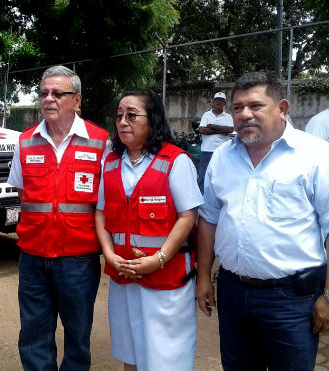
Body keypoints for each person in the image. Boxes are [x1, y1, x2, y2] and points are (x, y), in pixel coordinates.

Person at [196, 72, 329, 371]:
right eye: (237, 107)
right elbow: (208, 220)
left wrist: (328, 296)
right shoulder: (221, 157)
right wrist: (203, 276)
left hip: (292, 301)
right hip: (232, 292)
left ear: (282, 108)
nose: (245, 114)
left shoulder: (316, 156)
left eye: (256, 106)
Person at [7, 65, 108, 371]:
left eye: (58, 93)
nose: (48, 99)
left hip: (78, 260)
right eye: (44, 93)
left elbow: (106, 204)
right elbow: (22, 193)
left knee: (77, 337)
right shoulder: (25, 141)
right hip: (33, 257)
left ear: (76, 101)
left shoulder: (101, 142)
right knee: (34, 335)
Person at [95, 90, 203, 371]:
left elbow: (188, 216)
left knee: (166, 357)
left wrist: (159, 259)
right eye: (119, 116)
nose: (123, 122)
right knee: (129, 350)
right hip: (124, 277)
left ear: (152, 119)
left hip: (165, 279)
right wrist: (108, 253)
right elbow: (100, 212)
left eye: (131, 115)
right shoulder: (111, 162)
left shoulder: (176, 161)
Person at [197, 92, 233, 191]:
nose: (218, 102)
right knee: (203, 175)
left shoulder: (228, 116)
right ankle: (200, 199)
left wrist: (212, 126)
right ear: (213, 102)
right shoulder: (206, 114)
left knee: (221, 176)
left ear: (224, 103)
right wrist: (221, 130)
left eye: (221, 100)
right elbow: (202, 130)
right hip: (207, 150)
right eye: (217, 100)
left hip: (222, 151)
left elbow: (230, 130)